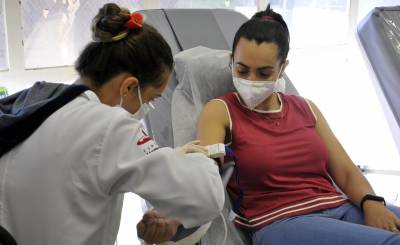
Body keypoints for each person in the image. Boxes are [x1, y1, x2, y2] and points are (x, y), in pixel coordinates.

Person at [0, 3, 225, 245]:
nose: (147, 108)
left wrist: (163, 158)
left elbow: (82, 171)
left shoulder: (33, 100)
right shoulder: (109, 127)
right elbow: (206, 197)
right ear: (128, 87)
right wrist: (203, 157)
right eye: (151, 99)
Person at [197, 5, 400, 245]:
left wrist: (371, 202)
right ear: (231, 62)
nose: (250, 81)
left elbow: (345, 172)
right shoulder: (221, 110)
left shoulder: (306, 109)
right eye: (242, 70)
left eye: (264, 73)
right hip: (281, 222)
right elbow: (202, 175)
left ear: (283, 68)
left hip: (340, 208)